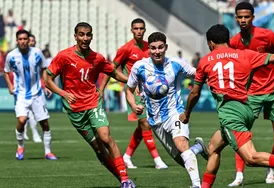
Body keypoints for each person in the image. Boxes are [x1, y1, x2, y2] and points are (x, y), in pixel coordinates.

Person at [179, 24, 274, 188]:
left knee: (250, 158)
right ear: (227, 39)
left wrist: (187, 113)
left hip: (230, 113)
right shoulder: (245, 55)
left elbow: (194, 93)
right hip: (246, 108)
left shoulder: (205, 62)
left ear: (210, 43)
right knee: (213, 149)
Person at [45, 22, 135, 187]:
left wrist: (133, 79)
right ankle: (122, 179)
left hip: (93, 103)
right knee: (99, 149)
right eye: (81, 34)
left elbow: (114, 72)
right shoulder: (64, 56)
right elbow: (47, 78)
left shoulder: (98, 58)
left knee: (105, 137)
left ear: (92, 36)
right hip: (75, 111)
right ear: (75, 36)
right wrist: (63, 93)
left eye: (88, 35)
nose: (85, 38)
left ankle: (124, 179)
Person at [228, 2, 274, 185]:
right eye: (240, 17)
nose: (244, 20)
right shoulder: (235, 42)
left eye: (247, 17)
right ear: (236, 18)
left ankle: (272, 168)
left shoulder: (267, 35)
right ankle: (239, 175)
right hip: (251, 93)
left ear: (253, 18)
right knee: (242, 134)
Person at [127, 32, 209, 188]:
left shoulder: (176, 64)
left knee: (181, 144)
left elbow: (197, 73)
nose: (157, 51)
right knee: (181, 158)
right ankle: (198, 148)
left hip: (175, 113)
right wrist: (133, 105)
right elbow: (129, 90)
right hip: (155, 120)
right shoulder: (140, 67)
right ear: (148, 50)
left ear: (166, 47)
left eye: (160, 47)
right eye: (153, 48)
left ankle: (197, 185)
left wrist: (212, 71)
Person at [99, 18, 167, 169]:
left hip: (150, 92)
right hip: (134, 91)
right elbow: (110, 68)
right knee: (145, 124)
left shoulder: (149, 48)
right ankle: (157, 160)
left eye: (141, 28)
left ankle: (127, 156)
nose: (139, 31)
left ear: (144, 30)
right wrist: (102, 88)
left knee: (143, 126)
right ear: (131, 30)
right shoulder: (126, 49)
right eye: (136, 28)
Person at [3, 29, 57, 160]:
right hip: (21, 95)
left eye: (25, 39)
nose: (22, 41)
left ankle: (48, 152)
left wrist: (46, 84)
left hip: (37, 94)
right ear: (17, 41)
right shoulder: (11, 56)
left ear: (28, 40)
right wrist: (10, 86)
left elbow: (44, 68)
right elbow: (5, 71)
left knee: (44, 123)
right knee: (21, 121)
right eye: (20, 39)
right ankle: (20, 147)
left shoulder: (37, 53)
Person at [22, 33, 42, 143]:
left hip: (36, 88)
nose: (31, 42)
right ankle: (33, 133)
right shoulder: (21, 55)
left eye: (32, 40)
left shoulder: (38, 54)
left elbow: (43, 70)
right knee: (27, 113)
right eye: (29, 40)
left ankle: (32, 133)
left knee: (34, 113)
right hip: (24, 89)